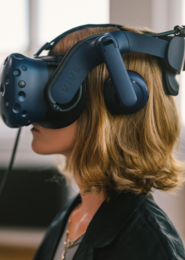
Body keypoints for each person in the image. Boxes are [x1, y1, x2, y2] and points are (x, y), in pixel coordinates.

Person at [31, 26, 185, 260]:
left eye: (55, 85)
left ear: (116, 102)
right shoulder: (73, 215)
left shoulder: (149, 246)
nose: (37, 103)